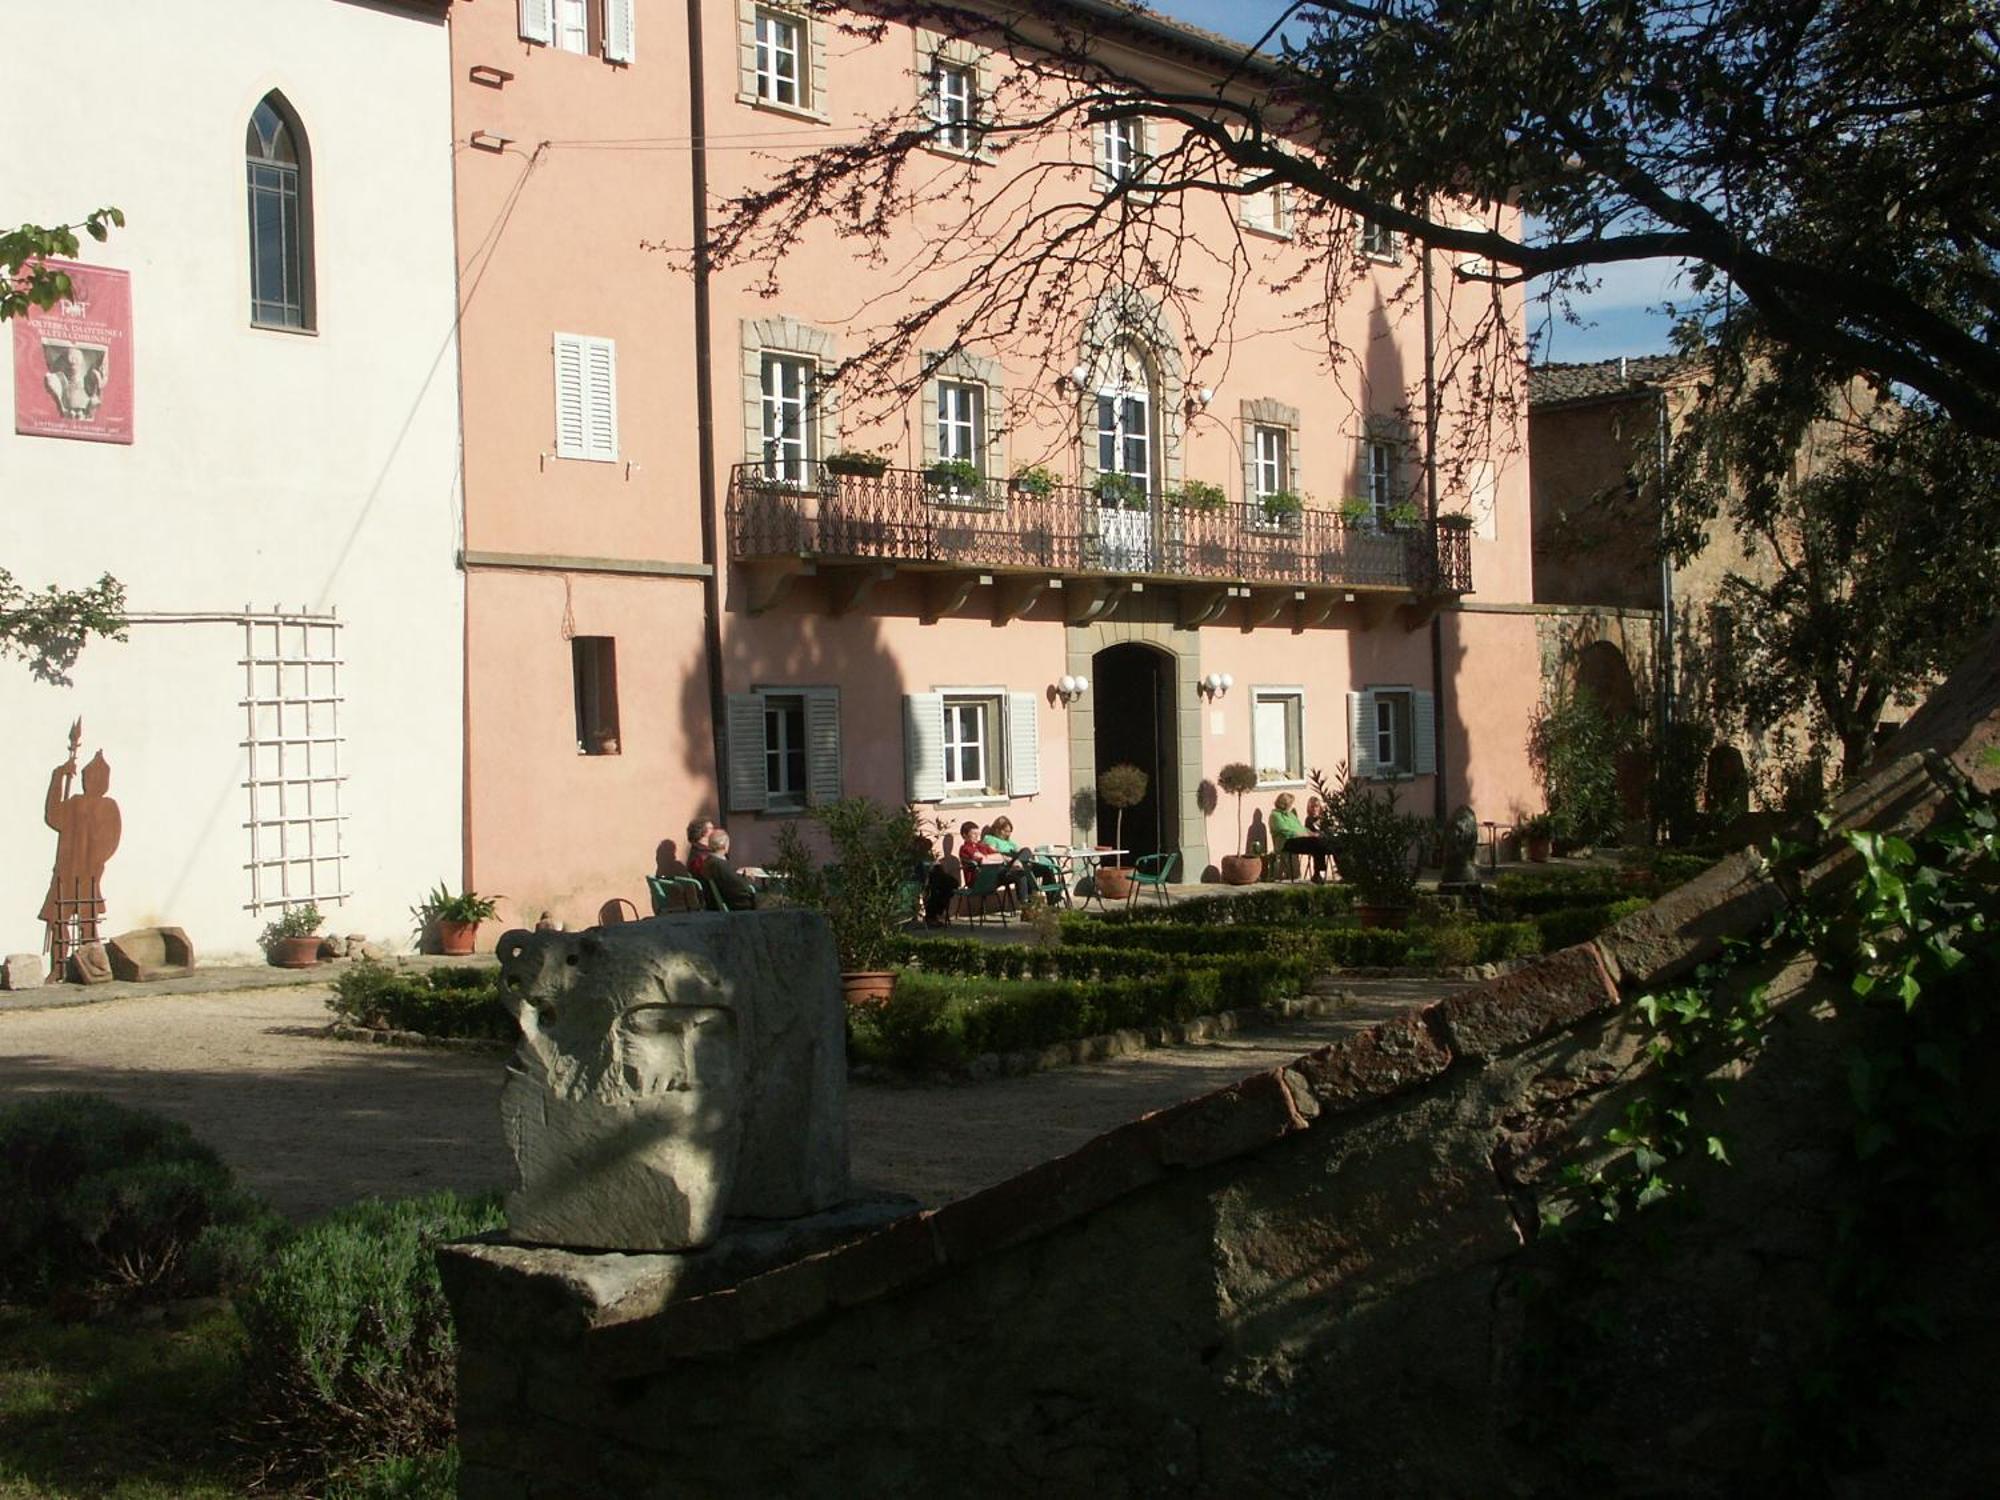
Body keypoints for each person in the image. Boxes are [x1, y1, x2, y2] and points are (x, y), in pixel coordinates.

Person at [688, 827, 758, 911]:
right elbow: (741, 886)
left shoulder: (708, 861)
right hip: (736, 904)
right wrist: (748, 879)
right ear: (725, 845)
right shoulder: (720, 864)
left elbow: (730, 879)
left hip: (718, 903)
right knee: (770, 899)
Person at [1280, 793, 1337, 882]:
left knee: (1337, 844)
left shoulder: (1325, 819)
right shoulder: (1309, 820)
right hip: (1314, 845)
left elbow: (1329, 831)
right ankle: (1318, 873)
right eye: (1312, 807)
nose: (1314, 809)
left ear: (1320, 808)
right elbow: (1308, 833)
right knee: (1318, 844)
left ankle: (1343, 870)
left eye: (1316, 807)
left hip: (1326, 843)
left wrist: (1324, 829)